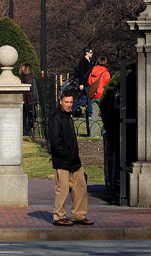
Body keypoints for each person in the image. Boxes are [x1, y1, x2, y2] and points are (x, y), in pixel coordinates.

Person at [48, 88, 93, 226]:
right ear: (61, 101)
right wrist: (68, 154)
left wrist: (73, 155)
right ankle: (59, 216)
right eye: (66, 102)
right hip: (63, 161)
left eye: (71, 102)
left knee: (80, 187)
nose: (69, 104)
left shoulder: (68, 116)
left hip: (74, 160)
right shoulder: (56, 117)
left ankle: (79, 214)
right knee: (62, 189)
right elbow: (55, 141)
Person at [86, 56, 111, 137]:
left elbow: (89, 82)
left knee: (94, 116)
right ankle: (104, 133)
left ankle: (93, 134)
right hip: (102, 95)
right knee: (105, 115)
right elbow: (108, 83)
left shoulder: (93, 71)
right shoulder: (106, 72)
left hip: (94, 95)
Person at [71, 47, 95, 118]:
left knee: (85, 98)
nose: (92, 54)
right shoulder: (82, 61)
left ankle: (71, 108)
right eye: (91, 52)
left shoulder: (89, 61)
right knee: (89, 97)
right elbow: (81, 73)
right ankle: (90, 114)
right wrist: (81, 83)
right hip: (85, 83)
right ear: (86, 53)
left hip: (88, 82)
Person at [19, 62, 38, 135]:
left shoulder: (18, 79)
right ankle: (28, 129)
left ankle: (24, 130)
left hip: (21, 100)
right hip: (29, 100)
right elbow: (34, 90)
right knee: (32, 116)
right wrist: (37, 101)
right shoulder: (30, 79)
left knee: (23, 117)